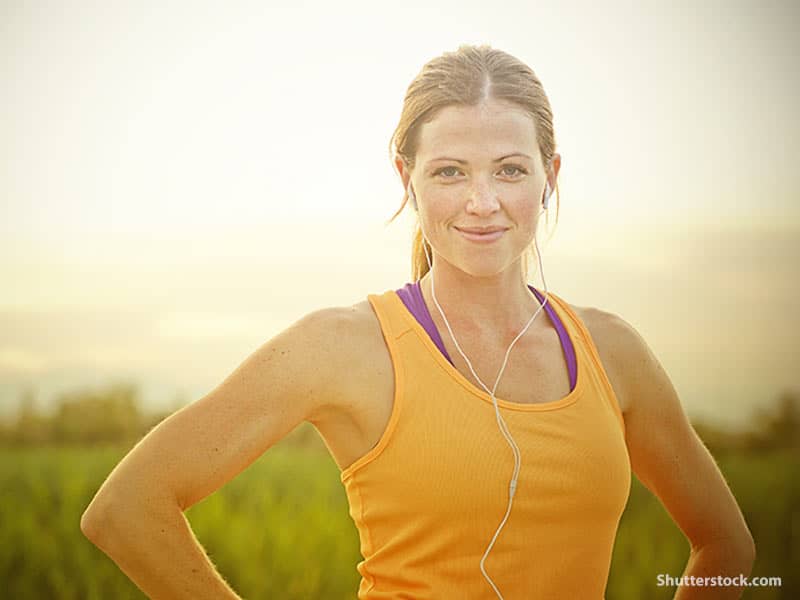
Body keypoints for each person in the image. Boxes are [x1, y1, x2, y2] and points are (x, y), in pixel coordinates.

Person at [81, 44, 755, 599]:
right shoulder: (344, 347)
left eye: (510, 170)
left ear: (550, 175)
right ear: (407, 177)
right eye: (451, 172)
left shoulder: (613, 352)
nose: (482, 202)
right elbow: (127, 509)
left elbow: (726, 543)